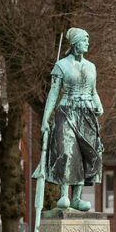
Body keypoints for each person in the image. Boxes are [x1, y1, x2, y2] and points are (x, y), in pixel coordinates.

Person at [35, 27, 103, 212]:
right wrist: (45, 119)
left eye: (87, 40)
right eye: (84, 40)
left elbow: (93, 91)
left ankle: (76, 198)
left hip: (87, 113)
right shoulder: (62, 66)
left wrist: (99, 105)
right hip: (67, 111)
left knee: (85, 153)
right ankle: (64, 194)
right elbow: (53, 93)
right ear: (74, 44)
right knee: (66, 151)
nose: (87, 43)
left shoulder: (91, 67)